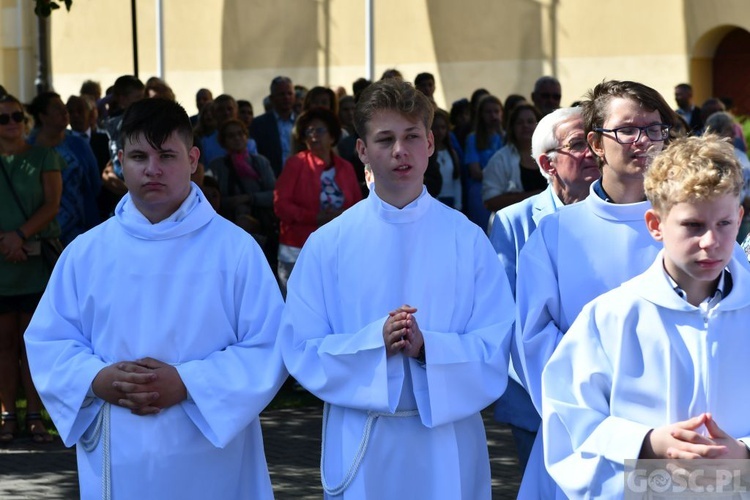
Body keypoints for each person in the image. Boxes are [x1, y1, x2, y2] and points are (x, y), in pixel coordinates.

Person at [24, 98, 287, 499]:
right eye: (138, 156)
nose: (152, 169)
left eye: (167, 155)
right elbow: (49, 341)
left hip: (209, 452)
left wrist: (187, 382)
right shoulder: (87, 252)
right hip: (120, 442)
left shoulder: (235, 250)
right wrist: (97, 379)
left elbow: (269, 346)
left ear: (193, 158)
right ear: (119, 161)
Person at [279, 78, 514, 499]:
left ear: (430, 145)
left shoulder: (467, 238)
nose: (399, 151)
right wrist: (375, 342)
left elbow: (497, 342)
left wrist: (429, 349)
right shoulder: (329, 244)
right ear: (363, 151)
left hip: (446, 439)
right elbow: (299, 346)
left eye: (411, 137)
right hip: (363, 437)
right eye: (384, 139)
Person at [543, 134, 750, 498]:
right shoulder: (613, 316)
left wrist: (744, 453)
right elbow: (569, 418)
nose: (711, 242)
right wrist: (646, 444)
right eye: (693, 225)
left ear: (740, 218)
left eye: (724, 224)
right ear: (655, 224)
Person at [515, 80, 680, 498]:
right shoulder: (555, 234)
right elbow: (533, 341)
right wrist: (604, 412)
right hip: (585, 433)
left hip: (677, 431)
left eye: (655, 128)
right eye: (628, 129)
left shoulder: (695, 228)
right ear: (596, 143)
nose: (645, 141)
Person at [487, 107, 599, 473]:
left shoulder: (622, 212)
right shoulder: (513, 221)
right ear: (547, 164)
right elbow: (509, 317)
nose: (592, 152)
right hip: (536, 398)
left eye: (594, 142)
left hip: (607, 394)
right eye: (578, 144)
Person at [0, 94, 63, 445]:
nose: (11, 122)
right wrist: (6, 242)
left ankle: (37, 417)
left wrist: (19, 236)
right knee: (4, 347)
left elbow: (52, 204)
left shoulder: (44, 157)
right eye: (3, 118)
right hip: (3, 266)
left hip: (35, 262)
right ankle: (9, 416)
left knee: (32, 345)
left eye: (16, 116)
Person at [274, 107, 361, 296]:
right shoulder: (295, 164)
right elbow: (281, 205)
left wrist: (340, 216)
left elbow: (357, 205)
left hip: (337, 249)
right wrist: (315, 217)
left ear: (332, 136)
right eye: (309, 132)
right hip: (296, 249)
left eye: (320, 130)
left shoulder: (346, 167)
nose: (314, 135)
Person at [29, 92, 101, 246]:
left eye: (64, 108)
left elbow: (94, 184)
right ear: (42, 116)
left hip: (80, 230)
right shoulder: (28, 148)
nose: (64, 112)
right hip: (40, 232)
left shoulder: (78, 144)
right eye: (57, 108)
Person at [206, 118, 276, 261]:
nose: (237, 138)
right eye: (231, 136)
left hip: (263, 224)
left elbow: (275, 195)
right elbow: (211, 198)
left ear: (246, 136)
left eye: (240, 134)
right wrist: (232, 203)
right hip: (230, 226)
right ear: (223, 141)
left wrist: (249, 198)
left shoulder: (260, 162)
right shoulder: (217, 166)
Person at [482, 103, 544, 214]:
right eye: (520, 122)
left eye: (530, 121)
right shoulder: (500, 159)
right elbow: (490, 201)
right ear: (512, 127)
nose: (525, 125)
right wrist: (532, 197)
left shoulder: (552, 155)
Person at [464, 94, 504, 228]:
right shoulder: (473, 139)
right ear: (481, 115)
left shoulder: (507, 138)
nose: (493, 115)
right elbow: (475, 171)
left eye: (496, 111)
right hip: (481, 193)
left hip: (504, 191)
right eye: (488, 112)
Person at [251, 76, 296, 177]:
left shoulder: (303, 122)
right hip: (272, 179)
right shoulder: (259, 124)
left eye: (289, 93)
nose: (286, 97)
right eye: (281, 94)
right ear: (272, 98)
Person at [431, 109, 462, 209]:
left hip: (452, 200)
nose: (440, 131)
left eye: (443, 127)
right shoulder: (425, 154)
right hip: (434, 201)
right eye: (435, 127)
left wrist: (458, 204)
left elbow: (456, 180)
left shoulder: (452, 153)